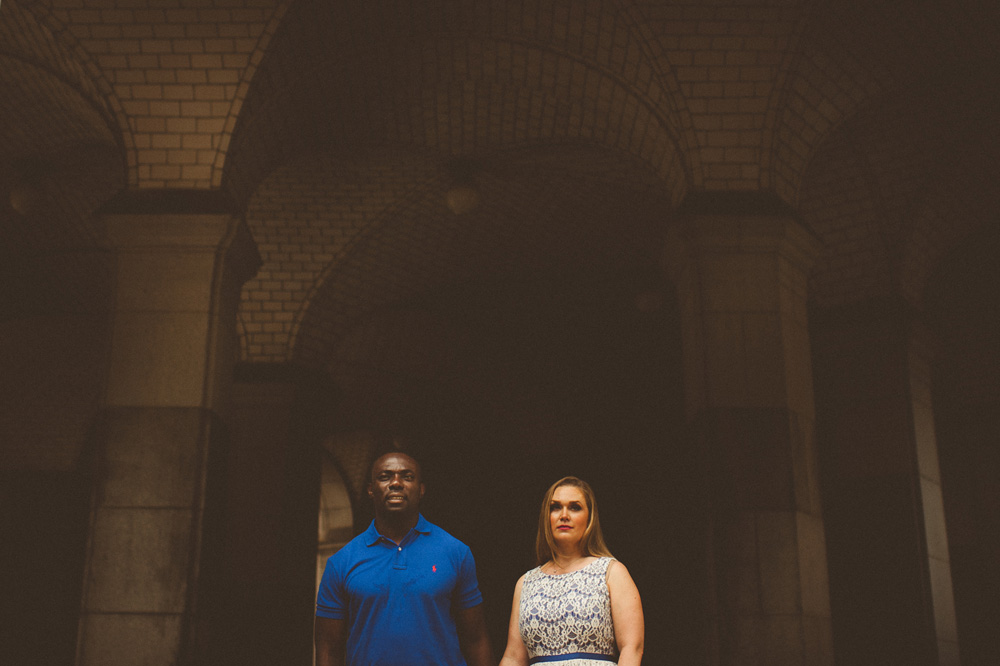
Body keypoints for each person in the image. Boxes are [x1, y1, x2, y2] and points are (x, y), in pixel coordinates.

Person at [315, 451, 493, 666]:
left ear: (421, 490)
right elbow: (328, 648)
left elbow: (476, 640)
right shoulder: (341, 562)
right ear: (371, 490)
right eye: (385, 476)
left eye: (407, 476)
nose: (396, 483)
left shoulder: (456, 552)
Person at [499, 476, 644, 666]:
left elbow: (632, 647)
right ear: (546, 516)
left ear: (589, 517)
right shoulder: (526, 583)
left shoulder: (611, 572)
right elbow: (513, 657)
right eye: (555, 507)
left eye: (575, 507)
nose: (564, 515)